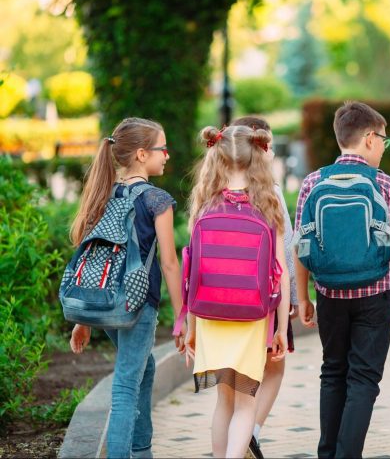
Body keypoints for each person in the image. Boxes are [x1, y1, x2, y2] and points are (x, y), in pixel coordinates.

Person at [295, 101, 390, 458]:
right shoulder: (386, 186)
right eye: (384, 142)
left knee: (333, 372)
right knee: (363, 379)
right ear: (371, 139)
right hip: (374, 295)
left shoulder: (313, 182)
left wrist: (303, 298)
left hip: (329, 292)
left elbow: (301, 244)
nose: (383, 150)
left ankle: (327, 452)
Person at [68, 117, 184, 458]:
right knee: (125, 385)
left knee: (143, 367)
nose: (167, 155)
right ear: (143, 154)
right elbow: (169, 263)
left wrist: (84, 319)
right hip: (137, 306)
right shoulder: (156, 200)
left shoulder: (104, 195)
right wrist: (182, 318)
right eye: (163, 149)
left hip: (104, 304)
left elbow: (95, 258)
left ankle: (141, 449)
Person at [184, 125, 291, 458]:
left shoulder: (203, 204)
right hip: (252, 317)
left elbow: (192, 271)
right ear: (257, 156)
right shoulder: (267, 204)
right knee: (247, 403)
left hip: (211, 315)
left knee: (223, 401)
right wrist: (280, 330)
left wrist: (191, 327)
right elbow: (281, 273)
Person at [231, 115, 299, 459]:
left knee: (232, 384)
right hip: (266, 299)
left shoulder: (215, 189)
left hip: (225, 299)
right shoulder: (268, 191)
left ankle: (235, 438)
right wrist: (295, 301)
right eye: (267, 145)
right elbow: (286, 250)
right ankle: (250, 433)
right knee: (274, 366)